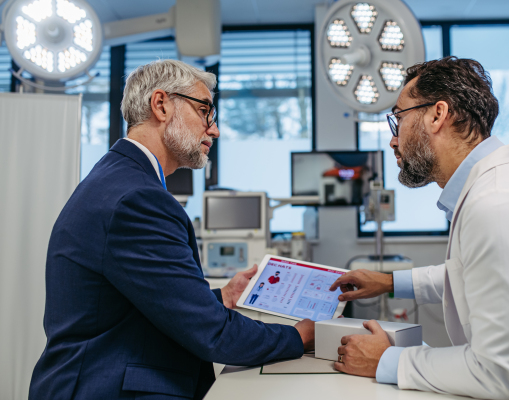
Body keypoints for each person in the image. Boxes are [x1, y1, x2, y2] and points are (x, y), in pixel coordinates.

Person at [29, 59, 314, 400]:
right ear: (161, 105)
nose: (215, 129)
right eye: (205, 110)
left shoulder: (119, 179)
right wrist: (300, 336)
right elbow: (213, 334)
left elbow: (132, 306)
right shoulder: (138, 198)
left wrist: (220, 298)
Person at [329, 56, 509, 399]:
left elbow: (496, 374)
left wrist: (387, 360)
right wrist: (388, 282)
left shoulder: (499, 205)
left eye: (398, 119)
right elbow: (476, 273)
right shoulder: (492, 190)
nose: (393, 141)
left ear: (437, 114)